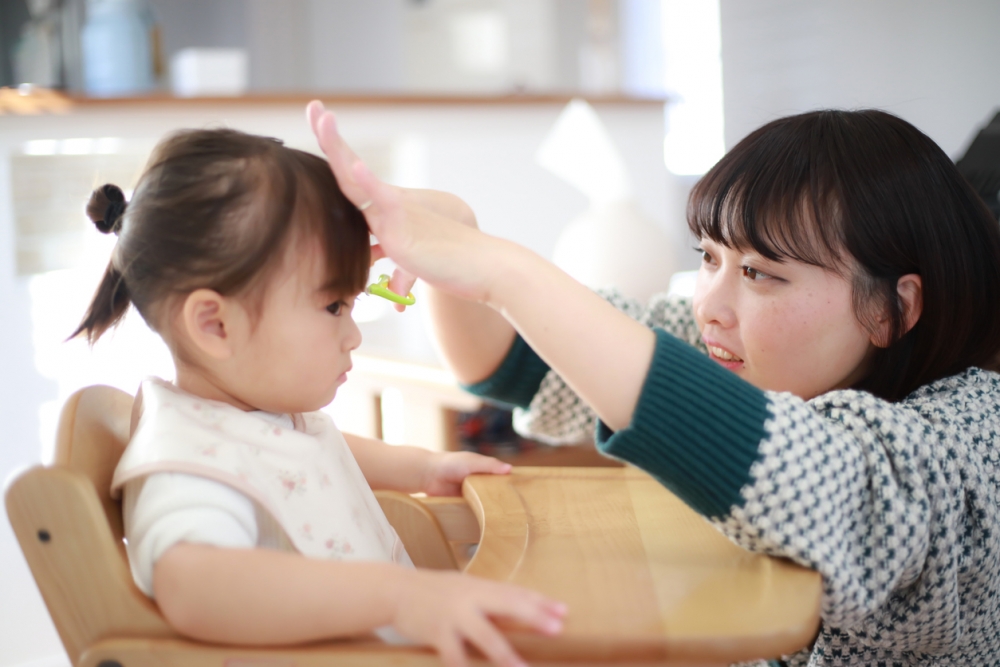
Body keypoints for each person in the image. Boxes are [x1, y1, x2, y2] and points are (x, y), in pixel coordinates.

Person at [309, 101, 1000, 666]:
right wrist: (456, 236)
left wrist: (506, 270)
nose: (710, 305)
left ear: (890, 308)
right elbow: (518, 362)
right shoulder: (748, 348)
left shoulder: (970, 435)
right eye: (708, 257)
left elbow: (807, 472)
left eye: (761, 273)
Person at [72, 127, 566, 667]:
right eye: (334, 306)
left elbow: (316, 451)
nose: (352, 335)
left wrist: (423, 469)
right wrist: (401, 597)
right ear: (215, 324)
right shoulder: (183, 462)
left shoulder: (249, 415)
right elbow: (190, 583)